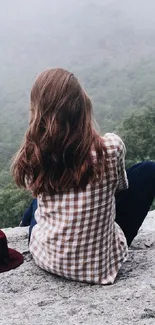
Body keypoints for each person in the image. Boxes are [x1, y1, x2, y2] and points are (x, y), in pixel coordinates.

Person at [11, 68, 155, 284]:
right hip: (100, 267)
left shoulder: (34, 156)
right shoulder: (111, 147)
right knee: (148, 170)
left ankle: (23, 229)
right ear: (82, 106)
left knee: (35, 205)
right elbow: (118, 188)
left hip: (47, 259)